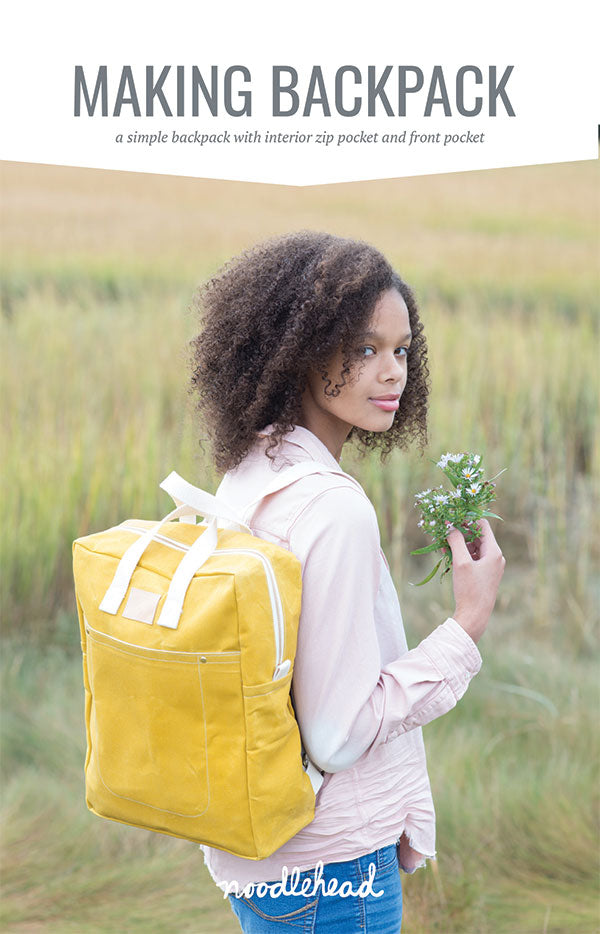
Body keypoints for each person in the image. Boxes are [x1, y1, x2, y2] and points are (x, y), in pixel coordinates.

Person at [189, 230, 505, 933]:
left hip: (262, 858)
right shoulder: (332, 507)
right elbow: (335, 736)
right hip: (331, 877)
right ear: (300, 348)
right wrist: (467, 623)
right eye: (364, 349)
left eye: (400, 350)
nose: (391, 372)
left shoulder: (254, 470)